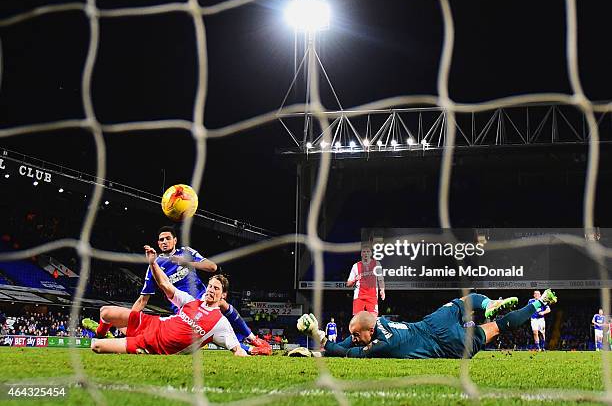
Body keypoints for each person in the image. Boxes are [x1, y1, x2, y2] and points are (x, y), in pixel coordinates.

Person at [99, 226, 270, 355]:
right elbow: (143, 300)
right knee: (210, 334)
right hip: (184, 310)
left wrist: (186, 263)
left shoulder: (186, 253)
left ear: (175, 240)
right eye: (161, 240)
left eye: (167, 238)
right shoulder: (156, 265)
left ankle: (254, 340)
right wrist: (130, 321)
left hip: (203, 299)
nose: (164, 242)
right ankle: (249, 349)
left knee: (223, 305)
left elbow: (212, 267)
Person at [297, 290, 557, 359]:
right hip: (432, 323)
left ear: (368, 331)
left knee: (497, 328)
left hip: (446, 345)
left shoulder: (381, 344)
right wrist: (320, 340)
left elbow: (347, 351)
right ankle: (491, 303)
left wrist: (318, 339)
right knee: (462, 302)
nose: (352, 338)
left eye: (356, 334)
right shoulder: (382, 323)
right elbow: (348, 342)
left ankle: (533, 304)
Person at [84, 247, 247, 356]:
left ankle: (114, 341)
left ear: (223, 295)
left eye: (216, 289)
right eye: (210, 286)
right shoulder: (191, 301)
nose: (211, 290)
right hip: (153, 323)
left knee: (96, 346)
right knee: (104, 312)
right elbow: (164, 284)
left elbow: (236, 348)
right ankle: (102, 332)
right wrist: (153, 263)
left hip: (154, 344)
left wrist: (248, 352)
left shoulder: (221, 323)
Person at [346, 245, 385, 316]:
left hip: (372, 297)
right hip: (359, 297)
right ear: (361, 254)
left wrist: (382, 290)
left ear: (371, 253)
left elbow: (380, 279)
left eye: (368, 251)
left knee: (373, 319)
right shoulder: (355, 266)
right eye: (364, 252)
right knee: (358, 320)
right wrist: (355, 279)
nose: (366, 253)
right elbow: (348, 284)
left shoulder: (377, 264)